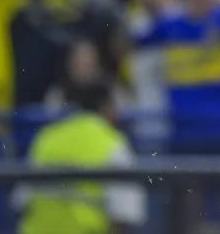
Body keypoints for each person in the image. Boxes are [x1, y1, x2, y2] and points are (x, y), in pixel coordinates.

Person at [13, 82, 146, 234]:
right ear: (105, 107)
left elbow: (21, 202)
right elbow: (124, 214)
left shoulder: (46, 138)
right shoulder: (112, 143)